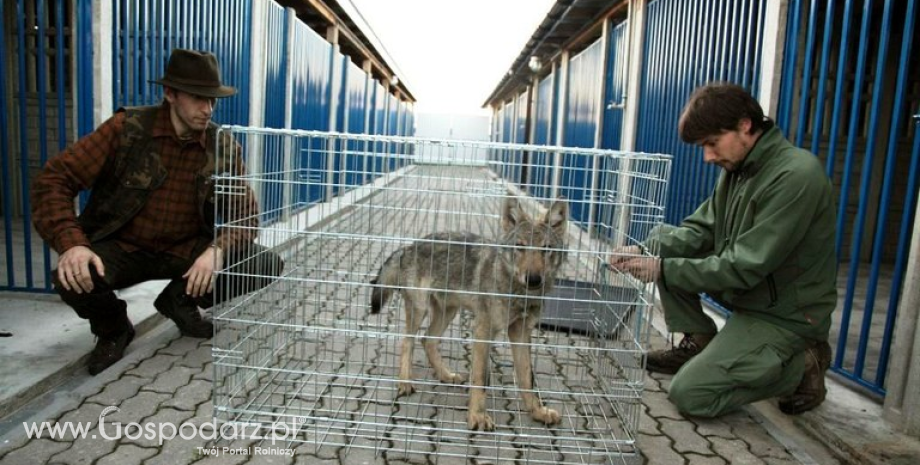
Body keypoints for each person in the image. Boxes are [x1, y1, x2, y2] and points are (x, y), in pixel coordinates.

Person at [31, 49, 284, 375]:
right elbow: (54, 180)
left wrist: (216, 251)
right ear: (170, 94)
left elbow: (246, 216)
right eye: (197, 98)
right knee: (73, 276)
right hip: (123, 248)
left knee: (262, 262)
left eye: (212, 100)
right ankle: (114, 329)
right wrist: (72, 243)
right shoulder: (126, 130)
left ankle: (179, 301)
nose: (207, 109)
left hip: (184, 252)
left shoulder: (222, 148)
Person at [609, 83, 837, 417]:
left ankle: (805, 363)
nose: (708, 156)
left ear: (745, 125)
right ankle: (699, 342)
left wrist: (660, 268)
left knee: (691, 395)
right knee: (663, 242)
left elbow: (744, 266)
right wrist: (642, 250)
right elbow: (701, 230)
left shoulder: (796, 175)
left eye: (712, 143)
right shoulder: (739, 169)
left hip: (785, 315)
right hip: (751, 295)